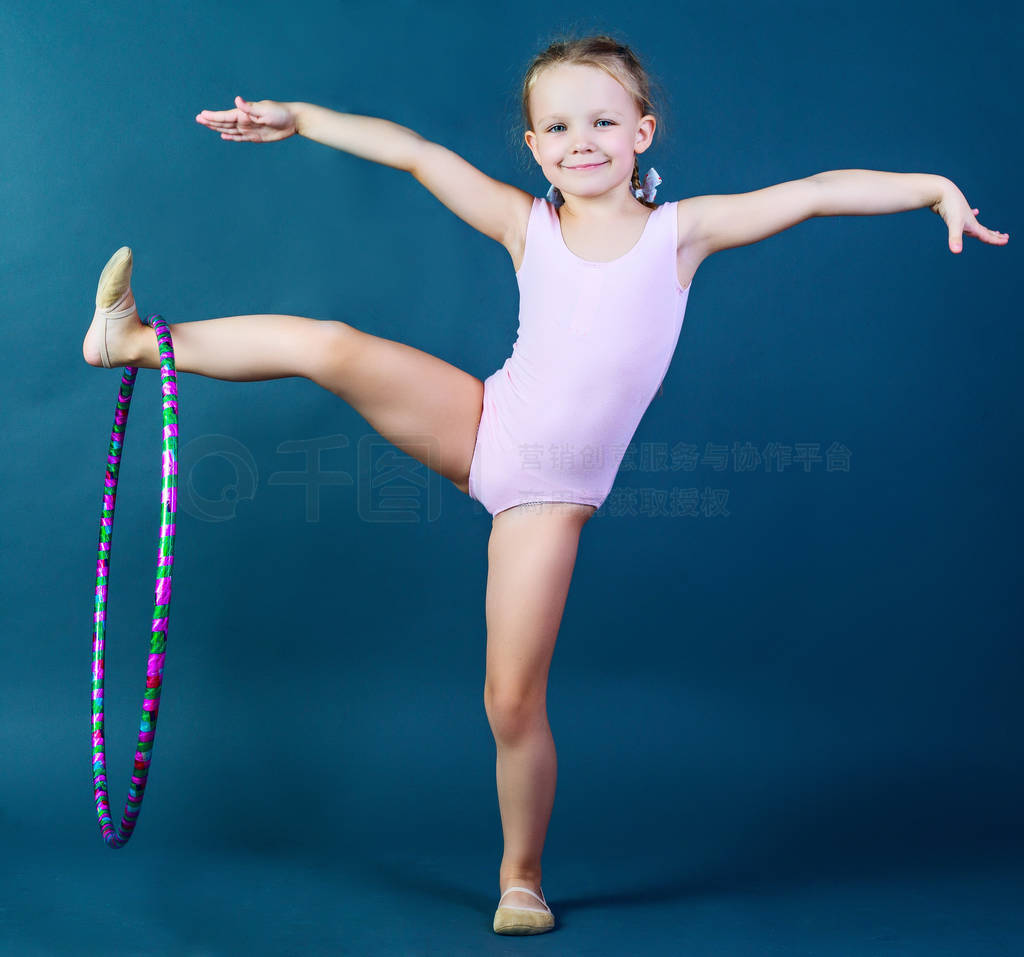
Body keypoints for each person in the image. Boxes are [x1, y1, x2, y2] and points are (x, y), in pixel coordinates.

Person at [82, 33, 1008, 937]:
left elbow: (810, 195)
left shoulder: (682, 236)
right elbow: (415, 155)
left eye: (602, 122)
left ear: (642, 131)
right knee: (330, 345)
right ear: (533, 147)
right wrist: (301, 119)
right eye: (557, 129)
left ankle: (519, 876)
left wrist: (933, 190)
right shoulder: (526, 221)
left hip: (547, 492)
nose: (581, 143)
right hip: (485, 421)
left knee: (511, 700)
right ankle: (124, 338)